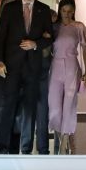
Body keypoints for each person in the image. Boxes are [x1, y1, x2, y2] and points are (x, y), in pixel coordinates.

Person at [0, 0, 53, 154]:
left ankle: (26, 149)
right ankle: (2, 145)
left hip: (33, 67)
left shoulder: (43, 9)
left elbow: (50, 37)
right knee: (7, 105)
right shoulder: (9, 9)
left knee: (29, 107)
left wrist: (35, 44)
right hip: (11, 65)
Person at [48, 0, 86, 155]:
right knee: (54, 105)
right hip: (55, 65)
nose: (66, 14)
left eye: (70, 11)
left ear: (74, 11)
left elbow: (84, 50)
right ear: (60, 10)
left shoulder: (79, 26)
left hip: (72, 65)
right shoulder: (54, 27)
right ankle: (63, 141)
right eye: (64, 11)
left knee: (69, 105)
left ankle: (64, 144)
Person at [19, 8, 57, 155]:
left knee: (42, 111)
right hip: (30, 73)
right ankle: (27, 148)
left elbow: (50, 52)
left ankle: (42, 149)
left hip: (44, 74)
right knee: (29, 111)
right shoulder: (33, 31)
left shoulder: (52, 33)